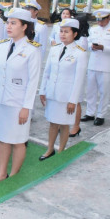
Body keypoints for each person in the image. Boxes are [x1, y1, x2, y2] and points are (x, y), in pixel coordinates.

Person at [0, 8, 41, 187]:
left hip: (19, 104)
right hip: (2, 101)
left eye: (13, 23)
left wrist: (27, 107)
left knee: (18, 140)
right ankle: (2, 173)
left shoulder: (32, 50)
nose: (8, 26)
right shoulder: (2, 46)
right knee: (3, 138)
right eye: (8, 22)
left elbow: (33, 81)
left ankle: (14, 174)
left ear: (24, 26)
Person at [39, 18, 88, 160]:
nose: (62, 34)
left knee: (64, 124)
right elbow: (46, 72)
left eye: (66, 32)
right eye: (61, 31)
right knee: (53, 122)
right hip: (52, 93)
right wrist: (43, 91)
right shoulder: (55, 49)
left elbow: (79, 79)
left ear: (75, 34)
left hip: (66, 96)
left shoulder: (80, 53)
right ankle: (49, 149)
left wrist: (73, 100)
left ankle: (61, 150)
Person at [81, 9, 110, 126]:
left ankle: (101, 115)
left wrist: (103, 48)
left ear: (108, 18)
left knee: (104, 92)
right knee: (90, 91)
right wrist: (92, 47)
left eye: (102, 20)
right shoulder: (94, 29)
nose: (100, 22)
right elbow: (87, 44)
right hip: (93, 64)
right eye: (98, 20)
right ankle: (90, 113)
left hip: (106, 66)